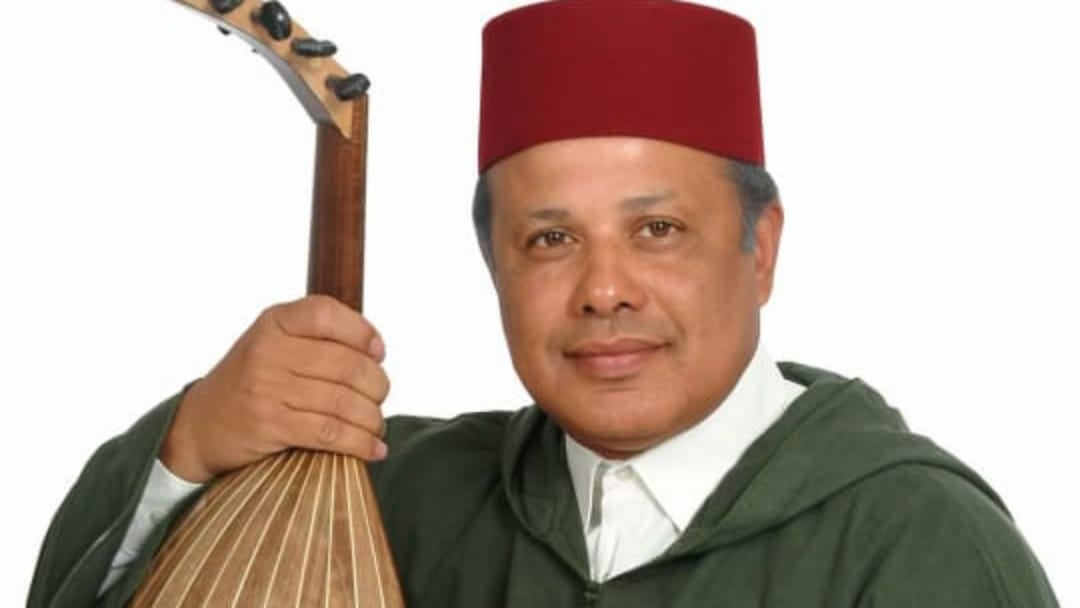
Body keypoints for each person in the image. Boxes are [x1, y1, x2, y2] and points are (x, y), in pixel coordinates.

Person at [28, 1, 1059, 606]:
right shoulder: (404, 499)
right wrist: (192, 445)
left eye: (658, 230)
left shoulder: (914, 541)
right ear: (494, 267)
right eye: (550, 240)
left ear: (761, 249)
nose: (604, 290)